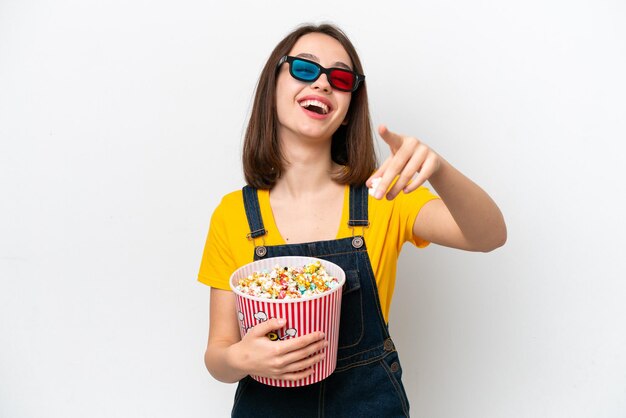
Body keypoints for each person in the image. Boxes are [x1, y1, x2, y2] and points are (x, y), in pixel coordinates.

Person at [198, 23, 506, 417]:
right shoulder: (233, 214)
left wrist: (439, 169)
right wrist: (242, 358)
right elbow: (217, 355)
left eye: (340, 78)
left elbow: (490, 235)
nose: (323, 84)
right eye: (305, 69)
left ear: (347, 111)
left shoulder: (384, 196)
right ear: (272, 86)